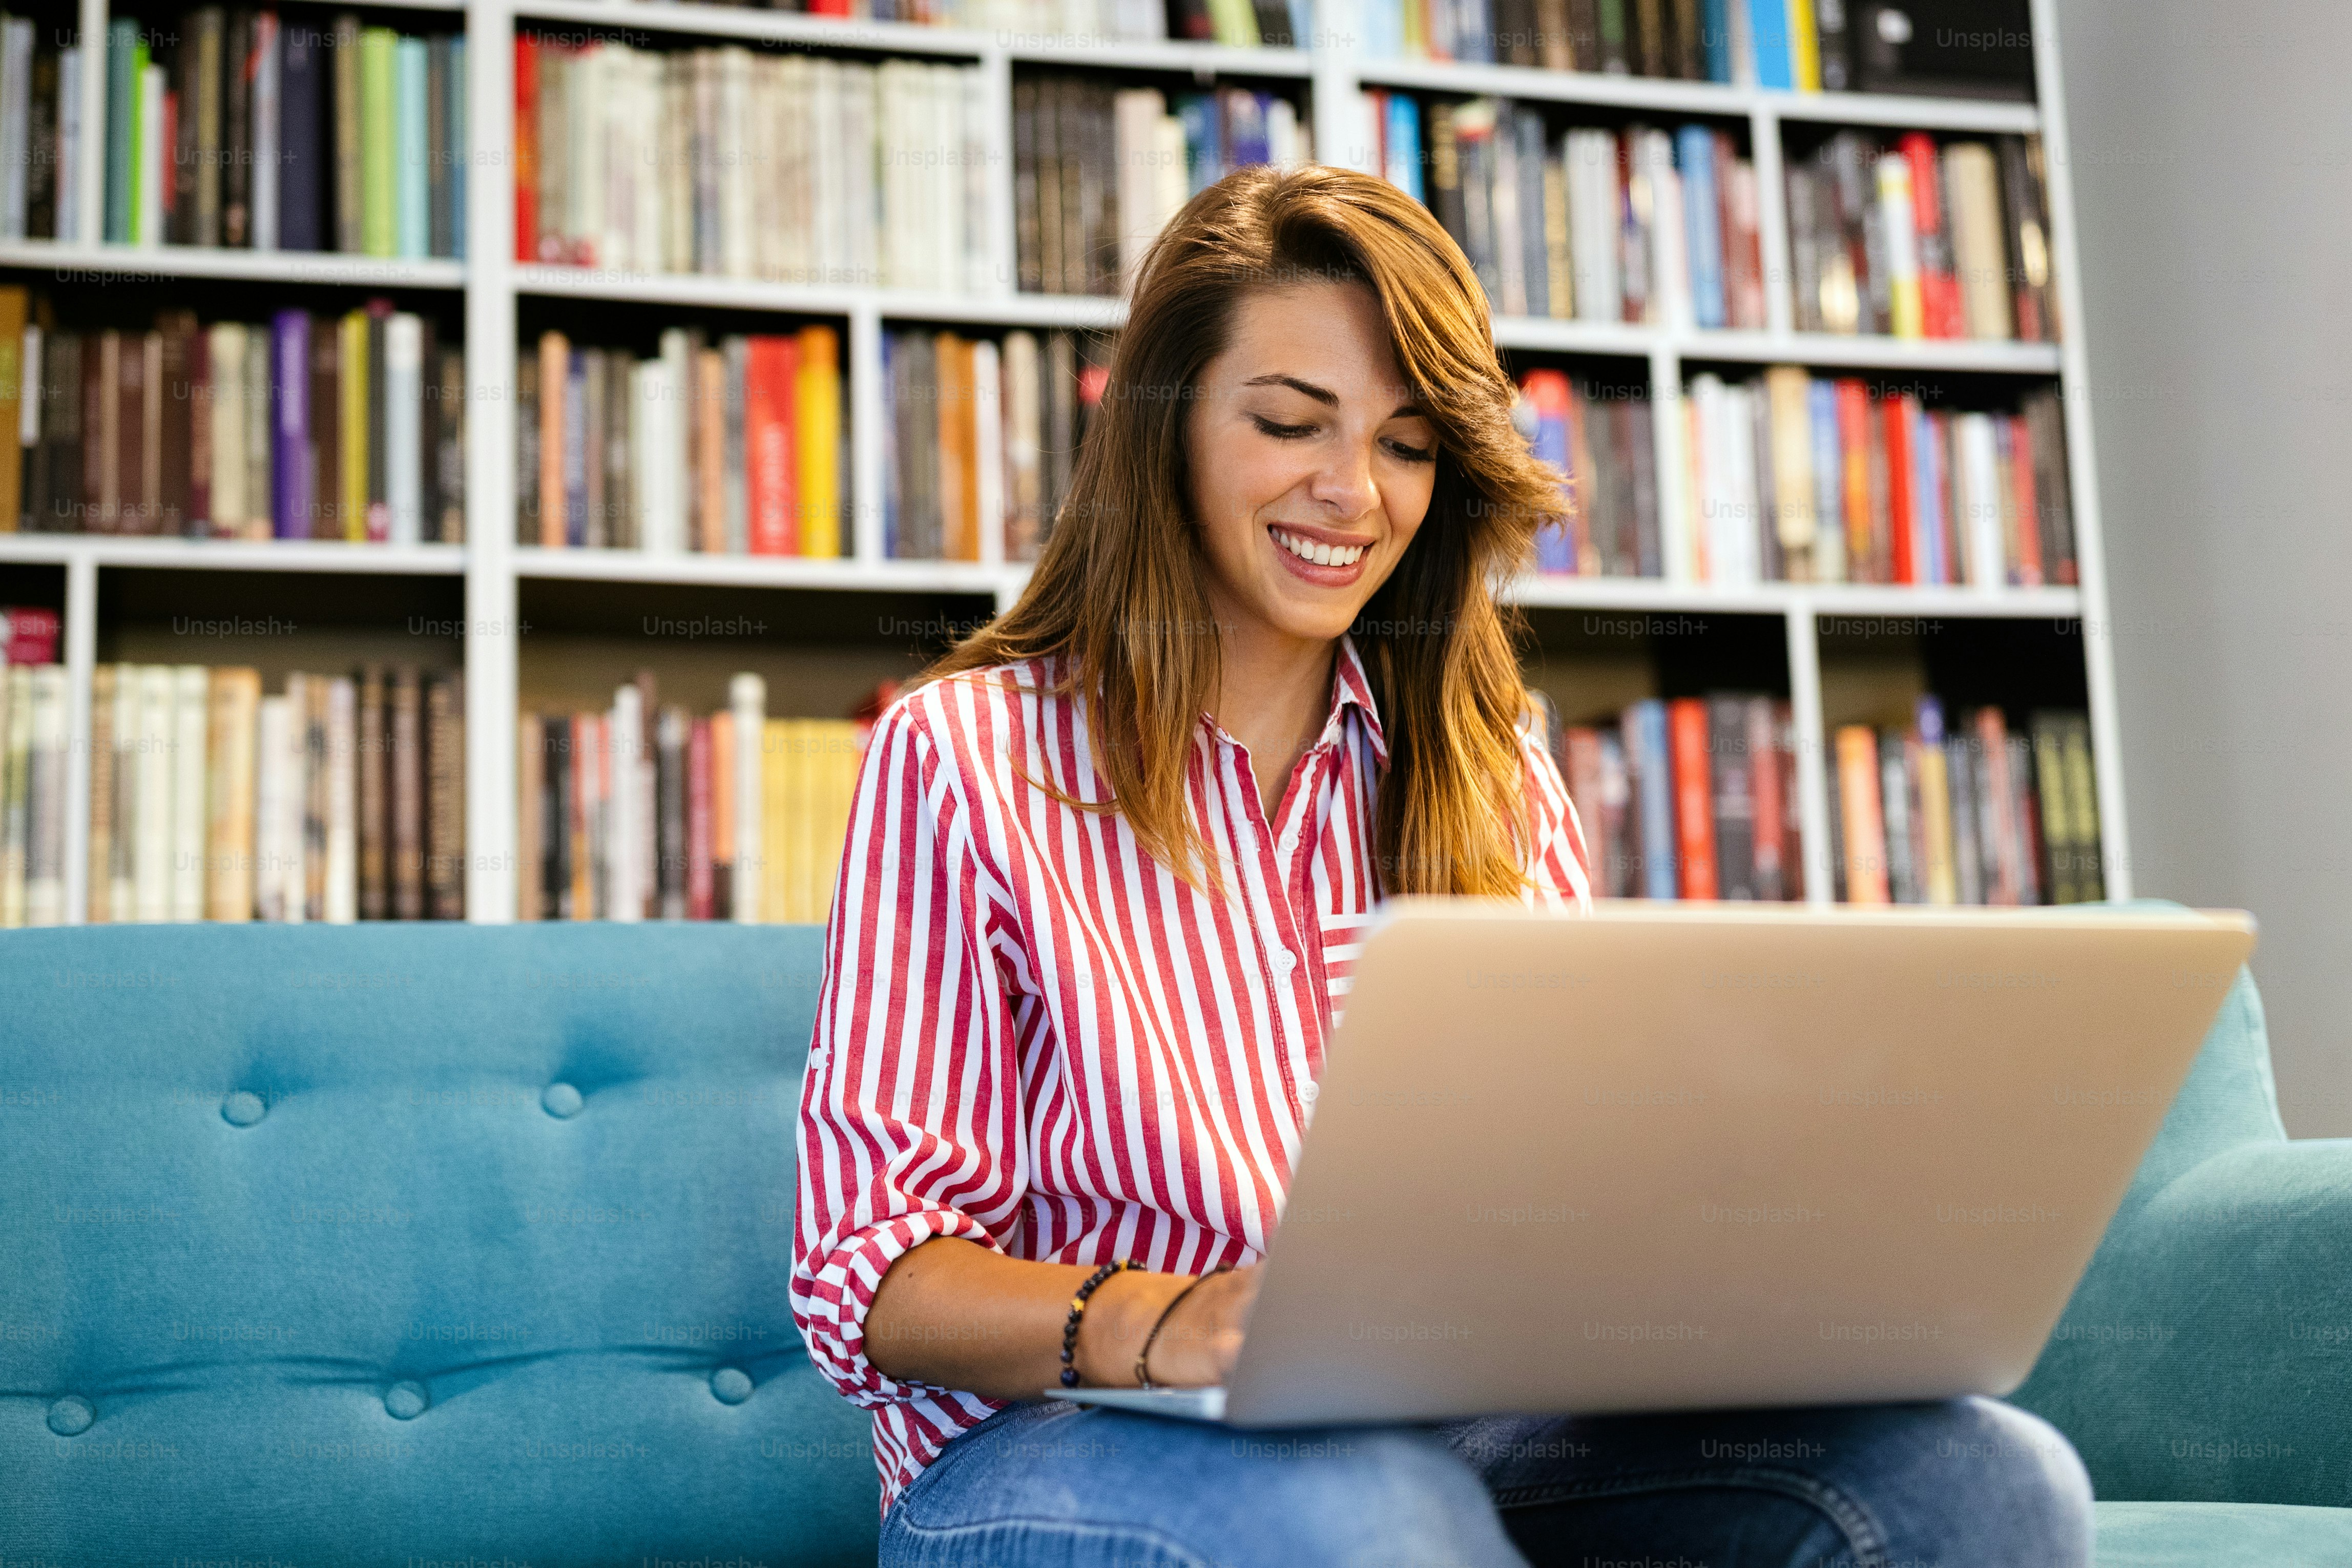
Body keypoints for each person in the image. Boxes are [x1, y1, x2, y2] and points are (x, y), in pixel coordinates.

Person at [790, 163, 2093, 1567]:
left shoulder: (1491, 773)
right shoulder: (967, 758)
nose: (1350, 491)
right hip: (1057, 1443)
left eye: (1408, 445)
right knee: (1379, 1521)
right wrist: (1168, 1324)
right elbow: (872, 1268)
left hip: (1449, 1427)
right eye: (1291, 423)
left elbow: (1577, 1183)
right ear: (1165, 430)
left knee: (1982, 1478)